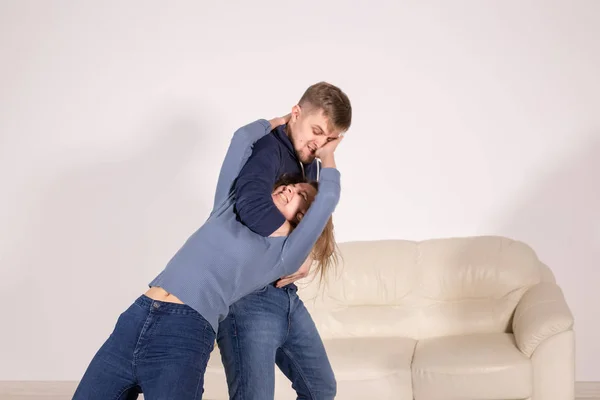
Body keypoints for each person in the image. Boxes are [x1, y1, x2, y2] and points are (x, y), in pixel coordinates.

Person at [72, 113, 343, 400]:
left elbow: (327, 198)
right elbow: (241, 139)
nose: (289, 188)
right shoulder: (227, 209)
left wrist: (326, 156)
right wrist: (283, 120)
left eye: (300, 193)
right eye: (290, 184)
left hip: (185, 329)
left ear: (304, 219)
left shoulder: (284, 254)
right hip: (137, 314)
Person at [217, 82, 352, 400]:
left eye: (328, 139)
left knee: (320, 388)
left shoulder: (303, 160)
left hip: (285, 297)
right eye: (316, 131)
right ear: (296, 113)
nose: (319, 144)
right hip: (248, 301)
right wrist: (293, 253)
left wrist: (303, 254)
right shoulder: (269, 151)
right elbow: (252, 209)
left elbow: (314, 219)